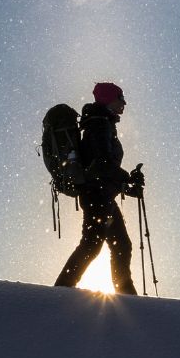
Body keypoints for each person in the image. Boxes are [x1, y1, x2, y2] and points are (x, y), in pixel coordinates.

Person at [54, 82, 144, 294]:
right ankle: (60, 291)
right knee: (94, 245)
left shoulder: (101, 122)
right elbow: (102, 164)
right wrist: (128, 180)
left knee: (119, 246)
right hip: (97, 194)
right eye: (120, 98)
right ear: (108, 99)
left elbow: (103, 167)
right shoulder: (99, 123)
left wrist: (126, 184)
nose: (124, 103)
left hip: (103, 195)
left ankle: (126, 295)